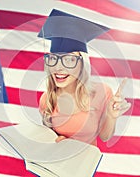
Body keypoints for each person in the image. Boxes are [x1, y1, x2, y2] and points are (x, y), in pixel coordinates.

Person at [38, 9, 131, 146]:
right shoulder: (47, 99)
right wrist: (59, 141)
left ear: (82, 64)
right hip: (56, 163)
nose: (58, 68)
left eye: (69, 60)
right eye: (53, 59)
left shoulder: (102, 92)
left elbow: (105, 137)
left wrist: (111, 116)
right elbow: (49, 139)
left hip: (85, 164)